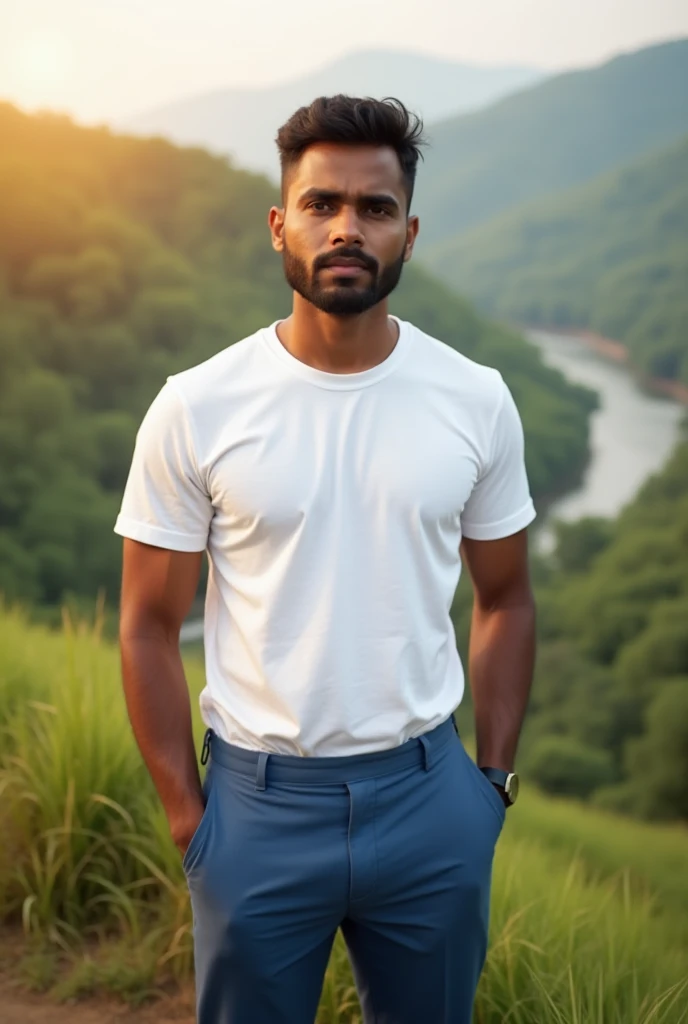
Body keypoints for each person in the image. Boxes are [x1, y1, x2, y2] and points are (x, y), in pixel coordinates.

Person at [115, 94, 536, 1024]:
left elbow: (505, 598)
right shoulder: (197, 407)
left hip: (432, 802)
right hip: (256, 810)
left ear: (409, 233)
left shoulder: (476, 399)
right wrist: (193, 821)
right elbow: (145, 624)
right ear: (280, 224)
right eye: (322, 204)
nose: (348, 227)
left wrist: (490, 787)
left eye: (375, 208)